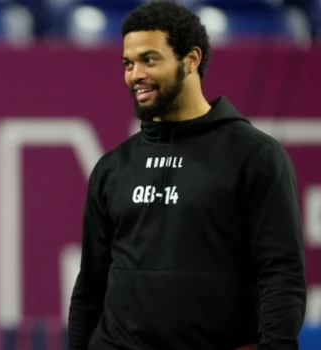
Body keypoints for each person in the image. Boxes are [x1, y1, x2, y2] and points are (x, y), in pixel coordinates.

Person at [67, 1, 307, 350]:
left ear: (191, 59)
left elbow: (282, 276)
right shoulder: (112, 167)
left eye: (150, 59)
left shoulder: (255, 156)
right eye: (128, 63)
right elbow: (90, 285)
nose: (136, 75)